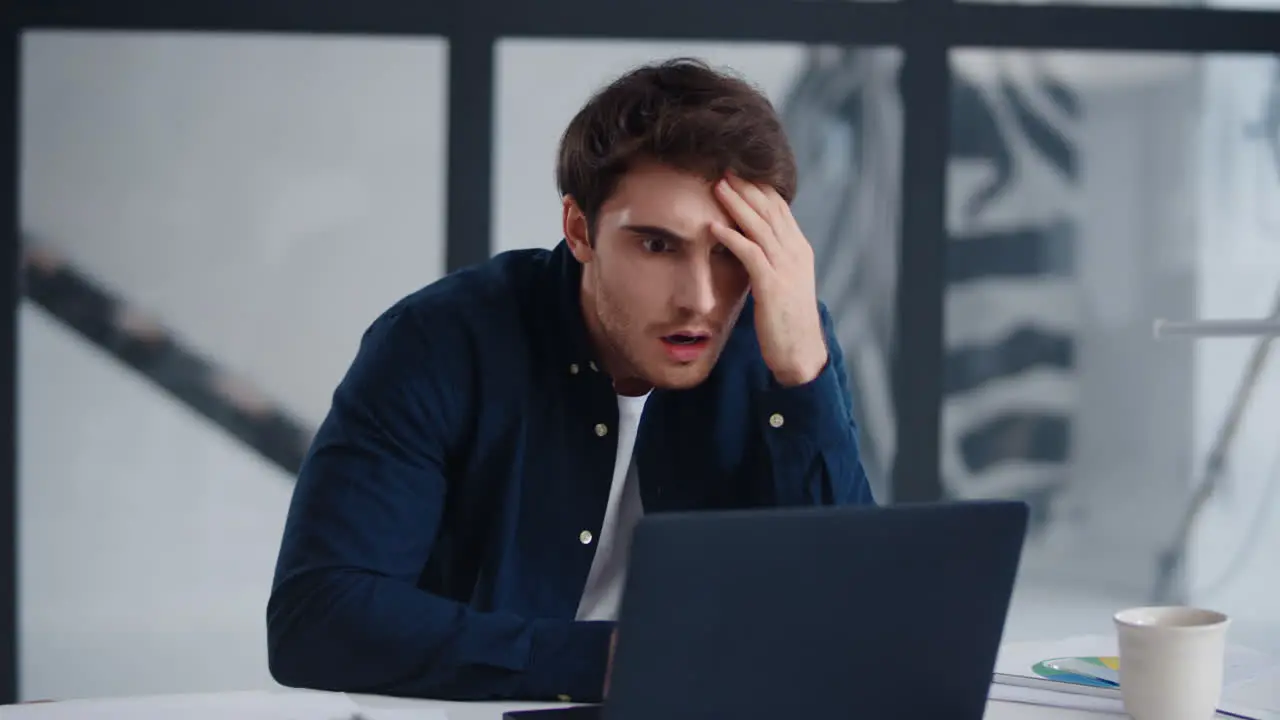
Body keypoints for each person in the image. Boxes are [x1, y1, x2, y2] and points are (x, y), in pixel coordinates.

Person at [266, 57, 876, 705]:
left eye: (730, 252)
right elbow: (318, 619)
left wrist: (803, 379)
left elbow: (855, 624)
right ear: (580, 229)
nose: (699, 300)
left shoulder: (783, 340)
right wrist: (616, 658)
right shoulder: (439, 340)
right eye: (657, 246)